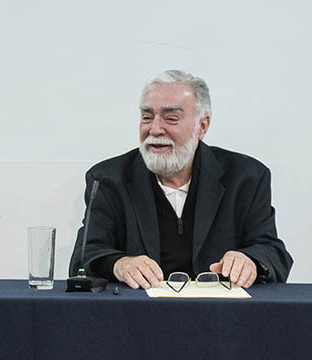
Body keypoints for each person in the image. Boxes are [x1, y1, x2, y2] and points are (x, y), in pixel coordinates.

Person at [68, 70, 292, 289]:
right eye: (147, 117)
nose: (155, 129)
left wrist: (250, 260)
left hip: (220, 309)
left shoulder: (246, 178)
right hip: (139, 308)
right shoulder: (108, 179)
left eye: (171, 118)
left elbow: (273, 253)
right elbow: (84, 258)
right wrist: (119, 264)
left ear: (202, 126)